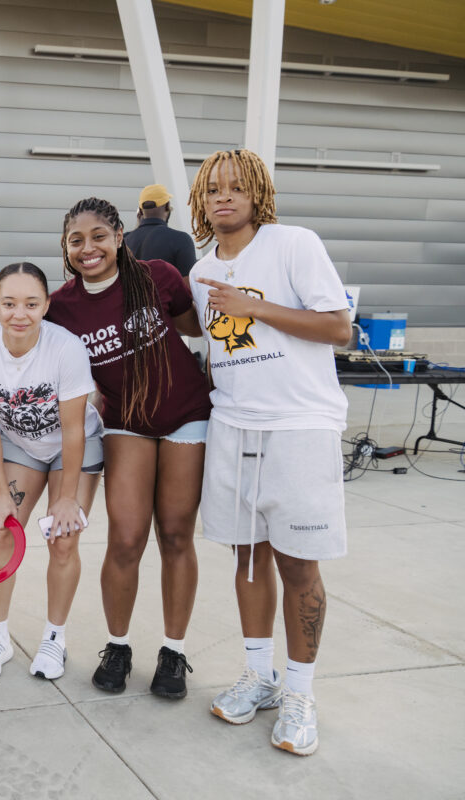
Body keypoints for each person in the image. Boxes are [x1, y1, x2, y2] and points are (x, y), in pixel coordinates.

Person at [189, 149, 352, 756]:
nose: (223, 198)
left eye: (235, 188)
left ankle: (300, 692)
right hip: (234, 426)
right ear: (201, 202)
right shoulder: (200, 269)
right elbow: (215, 350)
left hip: (300, 426)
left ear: (257, 194)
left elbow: (339, 327)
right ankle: (260, 675)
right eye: (212, 191)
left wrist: (251, 305)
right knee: (249, 558)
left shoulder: (294, 245)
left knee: (298, 563)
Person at [46, 197, 211, 699]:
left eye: (99, 235)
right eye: (77, 240)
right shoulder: (63, 307)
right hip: (126, 424)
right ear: (66, 249)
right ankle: (117, 646)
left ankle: (173, 652)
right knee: (125, 538)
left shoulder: (157, 276)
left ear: (121, 236)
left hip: (186, 415)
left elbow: (192, 328)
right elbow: (29, 333)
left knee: (177, 534)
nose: (88, 247)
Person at [0, 262, 104, 681]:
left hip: (71, 446)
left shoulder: (66, 347)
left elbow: (74, 428)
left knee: (63, 536)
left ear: (46, 305)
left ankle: (54, 638)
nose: (19, 314)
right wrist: (1, 492)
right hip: (20, 445)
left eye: (31, 303)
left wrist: (66, 497)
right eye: (8, 303)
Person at [124, 184, 197, 276]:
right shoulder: (181, 239)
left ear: (141, 211)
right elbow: (188, 284)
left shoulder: (124, 240)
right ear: (167, 206)